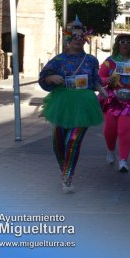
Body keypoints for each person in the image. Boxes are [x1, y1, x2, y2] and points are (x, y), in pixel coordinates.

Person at [38, 17, 106, 193]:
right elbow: (44, 77)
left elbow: (95, 80)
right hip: (62, 103)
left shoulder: (91, 60)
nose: (77, 40)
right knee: (58, 142)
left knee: (73, 141)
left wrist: (103, 90)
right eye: (74, 37)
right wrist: (51, 78)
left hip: (84, 104)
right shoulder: (58, 60)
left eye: (80, 37)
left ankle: (68, 177)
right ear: (68, 40)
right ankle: (65, 170)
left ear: (85, 39)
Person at [99, 34, 130, 173]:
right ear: (117, 44)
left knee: (124, 130)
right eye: (122, 42)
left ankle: (123, 160)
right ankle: (111, 150)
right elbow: (100, 77)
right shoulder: (110, 61)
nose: (125, 44)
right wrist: (108, 79)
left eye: (128, 42)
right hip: (112, 98)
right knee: (110, 130)